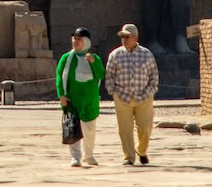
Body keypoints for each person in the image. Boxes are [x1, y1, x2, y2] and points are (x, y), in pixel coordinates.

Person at [105, 24, 160, 166]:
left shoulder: (147, 54)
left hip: (144, 97)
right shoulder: (115, 55)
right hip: (122, 97)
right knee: (125, 130)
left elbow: (154, 75)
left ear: (135, 38)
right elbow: (109, 75)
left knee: (145, 128)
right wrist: (113, 92)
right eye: (122, 37)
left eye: (127, 37)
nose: (124, 39)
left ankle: (141, 150)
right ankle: (129, 157)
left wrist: (150, 91)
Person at [55, 28, 105, 167]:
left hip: (89, 100)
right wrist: (62, 95)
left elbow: (100, 74)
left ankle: (88, 155)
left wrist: (93, 62)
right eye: (74, 39)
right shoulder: (66, 59)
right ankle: (75, 157)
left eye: (79, 39)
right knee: (73, 129)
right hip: (73, 100)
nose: (75, 42)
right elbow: (60, 76)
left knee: (89, 130)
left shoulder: (95, 58)